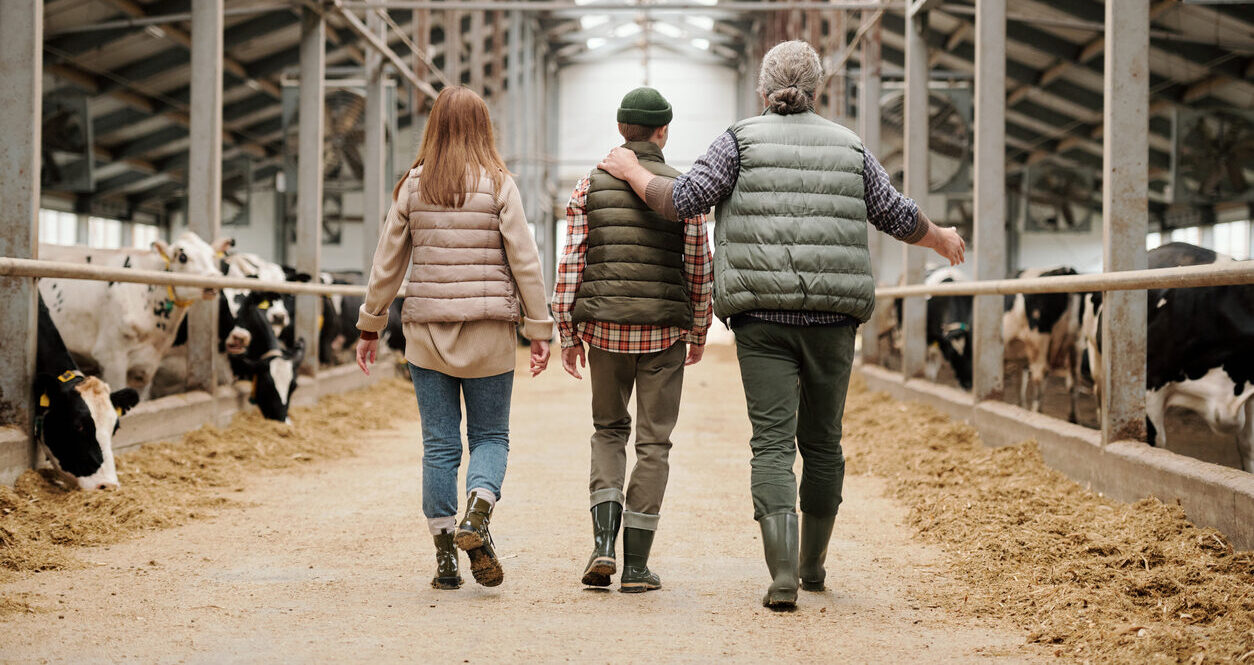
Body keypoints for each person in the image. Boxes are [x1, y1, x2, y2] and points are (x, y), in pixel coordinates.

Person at [598, 41, 965, 610]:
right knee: (823, 443)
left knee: (771, 443)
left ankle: (783, 575)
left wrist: (629, 168)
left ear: (763, 90)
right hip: (834, 320)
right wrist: (939, 237)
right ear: (816, 90)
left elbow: (684, 200)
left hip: (762, 318)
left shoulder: (738, 140)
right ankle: (814, 567)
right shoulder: (850, 145)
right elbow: (893, 212)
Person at [355, 86, 553, 591]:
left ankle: (446, 560)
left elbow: (387, 263)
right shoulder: (500, 184)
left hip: (427, 336)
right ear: (484, 128)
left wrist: (370, 324)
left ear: (434, 127)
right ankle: (477, 514)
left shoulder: (412, 186)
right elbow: (525, 261)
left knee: (439, 447)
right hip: (489, 333)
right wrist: (539, 328)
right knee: (490, 437)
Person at [553, 87, 714, 593]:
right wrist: (699, 327)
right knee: (653, 443)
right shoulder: (682, 191)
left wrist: (567, 332)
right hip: (664, 332)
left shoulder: (589, 185)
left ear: (622, 129)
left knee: (608, 431)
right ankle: (637, 566)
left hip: (604, 331)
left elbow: (571, 262)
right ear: (663, 131)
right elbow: (699, 266)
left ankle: (602, 545)